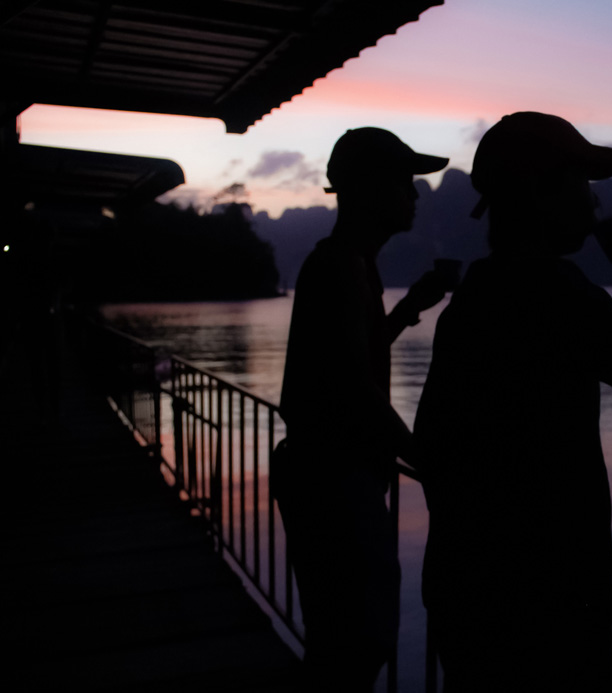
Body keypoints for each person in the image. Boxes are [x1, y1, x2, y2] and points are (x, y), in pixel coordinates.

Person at [413, 112, 612, 692]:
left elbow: (432, 448)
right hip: (544, 608)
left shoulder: (474, 299)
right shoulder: (551, 293)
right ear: (539, 192)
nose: (593, 204)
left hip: (469, 593)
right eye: (582, 185)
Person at [277, 127, 449, 691]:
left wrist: (407, 311)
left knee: (344, 639)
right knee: (357, 642)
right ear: (372, 189)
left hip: (327, 477)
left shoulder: (349, 264)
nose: (416, 194)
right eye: (405, 183)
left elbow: (346, 357)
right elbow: (352, 384)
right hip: (335, 483)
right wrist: (426, 459)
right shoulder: (341, 267)